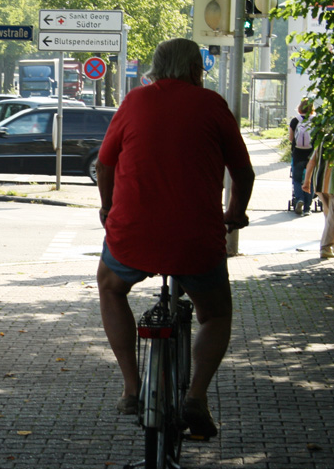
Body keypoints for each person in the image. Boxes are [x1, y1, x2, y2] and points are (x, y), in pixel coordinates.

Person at [96, 38, 255, 439]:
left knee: (110, 287)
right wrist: (234, 215)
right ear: (195, 71)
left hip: (133, 234)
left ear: (155, 67)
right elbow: (244, 173)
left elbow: (104, 163)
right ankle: (196, 397)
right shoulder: (213, 105)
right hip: (196, 239)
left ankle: (132, 389)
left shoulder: (134, 102)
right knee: (215, 314)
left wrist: (108, 207)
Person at [302, 132, 334, 259]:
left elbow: (312, 161)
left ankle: (331, 245)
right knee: (333, 217)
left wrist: (306, 181)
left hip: (320, 183)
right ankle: (326, 247)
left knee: (329, 215)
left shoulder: (325, 139)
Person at [289, 98, 315, 215]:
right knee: (310, 180)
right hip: (312, 155)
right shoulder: (316, 121)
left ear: (299, 108)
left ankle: (299, 199)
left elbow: (291, 138)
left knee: (297, 179)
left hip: (297, 154)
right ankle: (307, 208)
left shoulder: (295, 121)